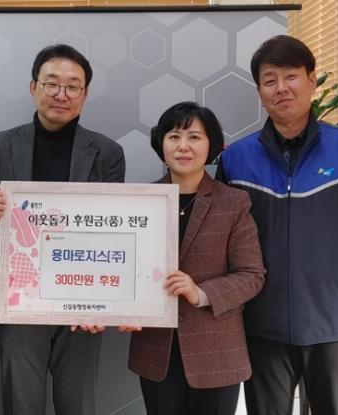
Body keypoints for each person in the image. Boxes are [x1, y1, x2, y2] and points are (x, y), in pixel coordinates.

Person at [216, 35, 338, 414]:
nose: (281, 88)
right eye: (269, 80)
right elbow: (221, 245)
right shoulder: (236, 160)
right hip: (262, 327)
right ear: (259, 91)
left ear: (312, 80)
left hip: (336, 326)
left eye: (291, 76)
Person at [0, 44, 125, 415]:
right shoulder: (0, 144)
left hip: (83, 293)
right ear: (33, 87)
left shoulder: (107, 152)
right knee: (21, 401)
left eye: (73, 86)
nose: (62, 94)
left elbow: (114, 229)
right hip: (18, 291)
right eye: (52, 83)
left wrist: (104, 301)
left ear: (85, 94)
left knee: (78, 401)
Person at [121, 102, 265, 415]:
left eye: (194, 137)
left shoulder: (234, 202)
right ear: (161, 144)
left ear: (211, 145)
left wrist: (199, 292)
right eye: (174, 136)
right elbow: (122, 267)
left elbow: (251, 275)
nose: (183, 146)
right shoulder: (138, 202)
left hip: (217, 352)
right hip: (156, 349)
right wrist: (124, 305)